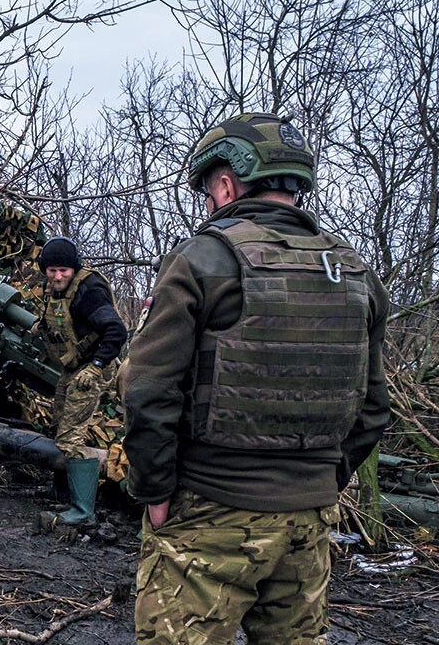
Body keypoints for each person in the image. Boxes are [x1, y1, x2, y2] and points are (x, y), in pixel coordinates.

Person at [122, 113, 391, 644]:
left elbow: (147, 388)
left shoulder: (202, 259)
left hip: (207, 512)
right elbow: (374, 407)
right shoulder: (355, 271)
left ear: (225, 183)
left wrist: (155, 492)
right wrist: (320, 480)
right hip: (307, 525)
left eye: (207, 190)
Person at [34, 236, 127, 526]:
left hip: (91, 369)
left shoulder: (89, 290)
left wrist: (97, 366)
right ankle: (63, 494)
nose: (58, 275)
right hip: (72, 368)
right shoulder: (55, 291)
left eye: (63, 270)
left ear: (73, 269)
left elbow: (116, 331)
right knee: (58, 425)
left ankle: (82, 511)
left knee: (70, 438)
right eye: (52, 270)